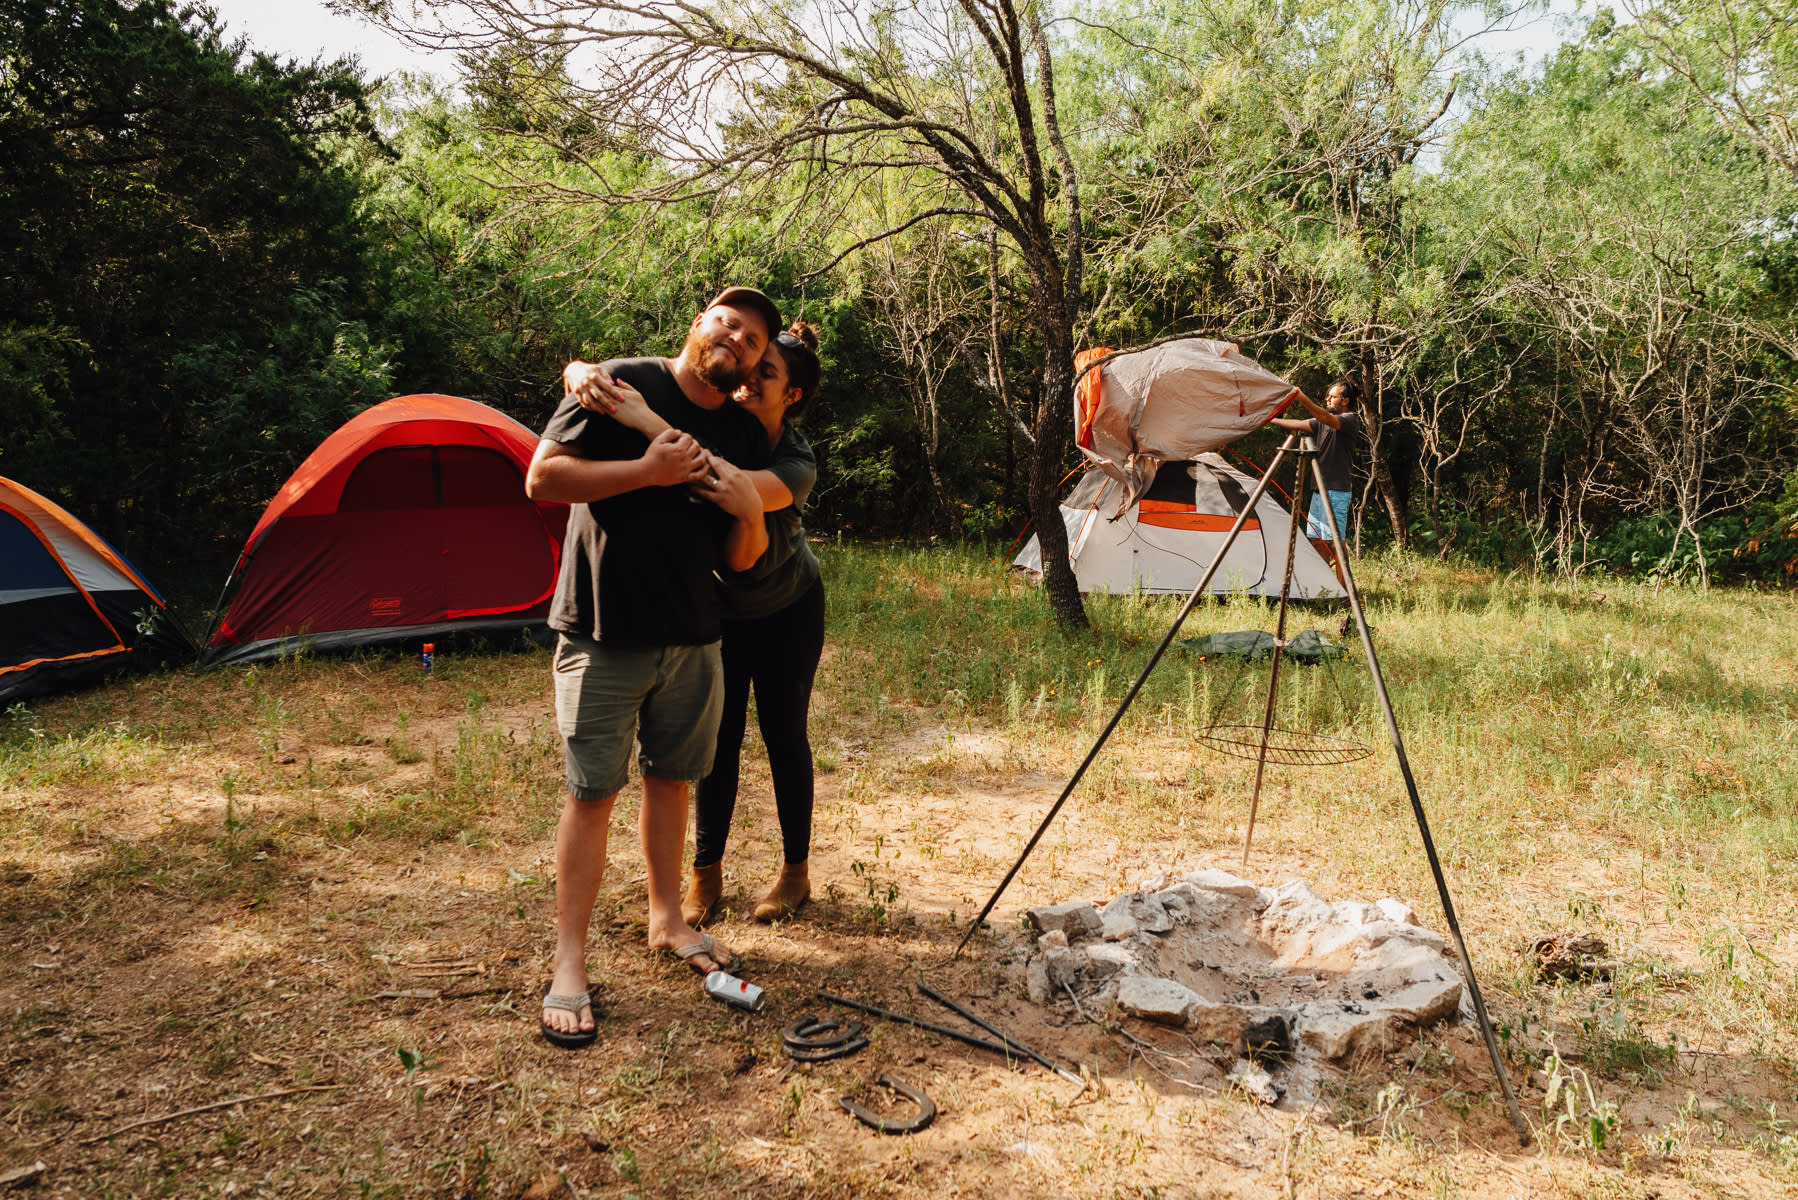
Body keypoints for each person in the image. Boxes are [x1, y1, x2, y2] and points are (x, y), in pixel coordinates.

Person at [524, 287, 780, 1050]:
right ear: (700, 322)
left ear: (758, 362)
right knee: (591, 794)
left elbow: (740, 559)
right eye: (727, 321)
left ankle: (667, 920)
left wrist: (750, 517)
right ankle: (569, 963)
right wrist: (644, 471)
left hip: (695, 637)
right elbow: (542, 479)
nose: (735, 338)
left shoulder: (740, 429)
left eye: (753, 338)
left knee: (672, 782)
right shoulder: (617, 383)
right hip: (602, 628)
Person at [562, 321, 825, 929]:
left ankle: (795, 873)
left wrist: (641, 417)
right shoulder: (716, 423)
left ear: (792, 397)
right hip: (717, 610)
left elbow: (719, 484)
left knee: (785, 736)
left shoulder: (794, 461)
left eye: (767, 374)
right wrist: (580, 373)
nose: (750, 379)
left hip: (787, 606)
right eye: (753, 365)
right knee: (716, 746)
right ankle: (705, 876)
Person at [1271, 379, 1360, 541]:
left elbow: (1325, 417)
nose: (1327, 399)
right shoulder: (1323, 421)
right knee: (1316, 540)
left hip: (1336, 492)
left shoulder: (1348, 420)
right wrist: (1270, 419)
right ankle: (1326, 568)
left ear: (1345, 401)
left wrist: (1301, 398)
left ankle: (1343, 568)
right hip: (1319, 491)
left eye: (1332, 397)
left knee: (1334, 542)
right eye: (1327, 396)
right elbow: (1297, 423)